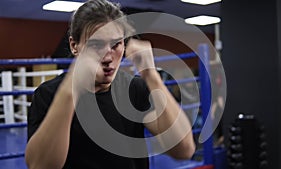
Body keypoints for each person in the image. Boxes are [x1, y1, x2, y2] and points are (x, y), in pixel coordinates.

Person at [25, 0, 195, 169]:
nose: (108, 57)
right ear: (74, 46)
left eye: (116, 44)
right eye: (96, 45)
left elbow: (184, 149)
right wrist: (70, 88)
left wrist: (151, 76)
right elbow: (40, 166)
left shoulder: (134, 89)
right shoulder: (48, 95)